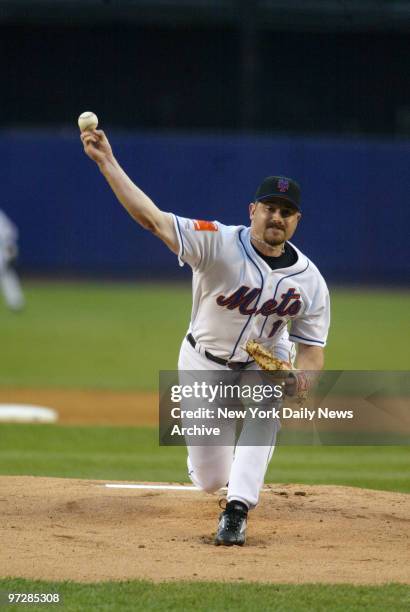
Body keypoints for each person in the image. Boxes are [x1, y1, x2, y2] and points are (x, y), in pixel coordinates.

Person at [80, 129, 330, 546]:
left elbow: (313, 350)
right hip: (203, 363)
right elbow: (153, 219)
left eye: (287, 211)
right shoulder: (216, 242)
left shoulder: (311, 281)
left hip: (263, 361)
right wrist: (107, 162)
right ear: (252, 210)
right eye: (270, 207)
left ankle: (237, 510)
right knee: (211, 477)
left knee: (269, 402)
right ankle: (218, 480)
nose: (277, 217)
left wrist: (300, 381)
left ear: (297, 221)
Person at [0, 209, 25, 312]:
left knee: (6, 274)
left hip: (2, 251)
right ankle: (15, 302)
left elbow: (8, 235)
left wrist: (10, 253)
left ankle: (15, 302)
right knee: (7, 275)